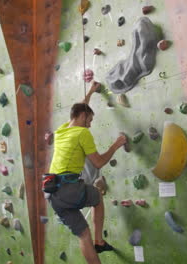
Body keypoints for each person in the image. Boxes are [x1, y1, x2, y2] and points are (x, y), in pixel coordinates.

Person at [47, 81, 127, 264]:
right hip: (68, 188)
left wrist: (90, 91)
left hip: (52, 193)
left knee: (83, 236)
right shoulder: (82, 133)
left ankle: (95, 243)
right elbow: (98, 162)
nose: (90, 125)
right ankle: (99, 241)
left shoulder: (61, 132)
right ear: (83, 117)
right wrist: (116, 144)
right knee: (97, 196)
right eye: (89, 120)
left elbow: (79, 110)